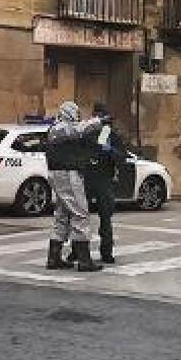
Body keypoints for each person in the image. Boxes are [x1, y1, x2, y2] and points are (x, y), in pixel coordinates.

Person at [44, 101, 104, 272]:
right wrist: (99, 122)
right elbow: (81, 131)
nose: (79, 116)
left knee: (62, 214)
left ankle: (54, 257)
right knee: (81, 214)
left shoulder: (64, 130)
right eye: (77, 113)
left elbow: (95, 144)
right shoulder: (61, 128)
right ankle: (84, 259)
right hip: (70, 174)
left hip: (67, 173)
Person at [82, 102, 127, 265]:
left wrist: (110, 150)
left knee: (104, 218)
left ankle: (105, 251)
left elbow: (120, 156)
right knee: (83, 217)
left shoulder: (106, 131)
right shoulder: (87, 130)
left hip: (101, 178)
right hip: (91, 177)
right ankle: (79, 251)